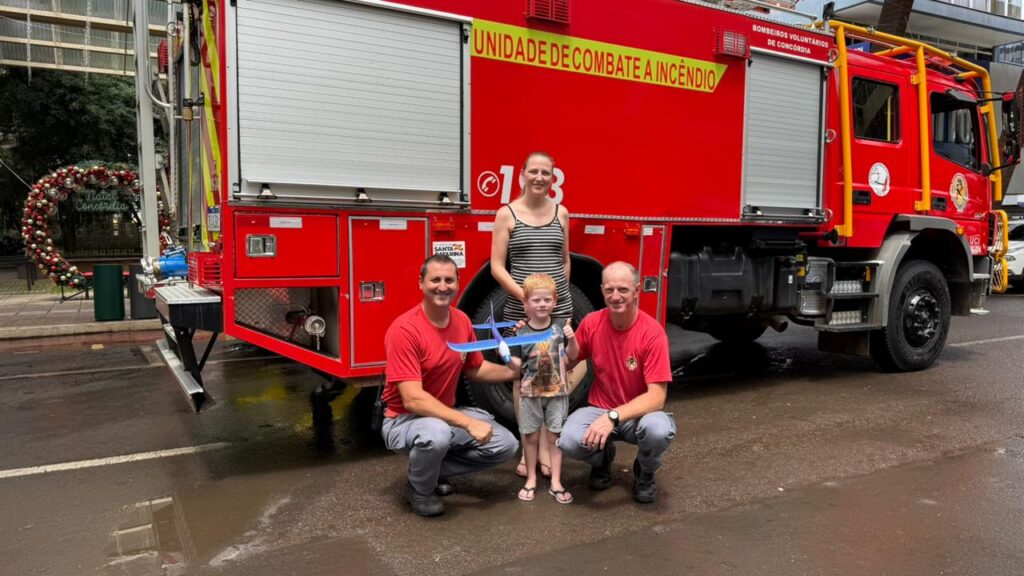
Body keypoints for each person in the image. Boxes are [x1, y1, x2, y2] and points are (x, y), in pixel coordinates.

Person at [381, 254, 520, 517]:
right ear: (420, 283)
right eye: (435, 280)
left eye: (449, 280)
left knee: (505, 444)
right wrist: (467, 423)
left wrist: (515, 373)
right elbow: (412, 399)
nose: (442, 287)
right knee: (437, 434)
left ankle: (429, 471)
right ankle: (421, 490)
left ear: (458, 283)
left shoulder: (461, 321)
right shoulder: (404, 330)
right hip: (404, 420)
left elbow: (475, 368)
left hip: (442, 414)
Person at [559, 262, 676, 504]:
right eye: (609, 290)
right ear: (602, 290)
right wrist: (534, 338)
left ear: (636, 290)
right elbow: (568, 362)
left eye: (623, 290)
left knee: (658, 431)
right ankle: (602, 457)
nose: (615, 297)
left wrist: (613, 417)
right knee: (569, 440)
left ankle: (644, 470)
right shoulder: (592, 323)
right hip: (600, 408)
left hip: (638, 414)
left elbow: (656, 398)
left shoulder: (652, 333)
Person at [491, 151, 571, 480]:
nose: (540, 177)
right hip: (520, 312)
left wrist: (558, 300)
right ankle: (529, 453)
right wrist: (525, 297)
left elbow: (565, 260)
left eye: (546, 172)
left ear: (554, 178)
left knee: (556, 379)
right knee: (523, 381)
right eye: (534, 171)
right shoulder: (506, 214)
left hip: (558, 311)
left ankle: (550, 452)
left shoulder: (562, 213)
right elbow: (497, 266)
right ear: (522, 174)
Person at [512, 273, 578, 504]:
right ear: (526, 303)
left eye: (546, 300)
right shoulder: (520, 332)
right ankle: (531, 479)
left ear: (555, 300)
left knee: (555, 437)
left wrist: (573, 339)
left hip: (557, 393)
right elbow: (517, 366)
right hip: (530, 393)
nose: (542, 304)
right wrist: (504, 354)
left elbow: (572, 357)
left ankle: (556, 482)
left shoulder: (560, 328)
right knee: (529, 437)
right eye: (536, 300)